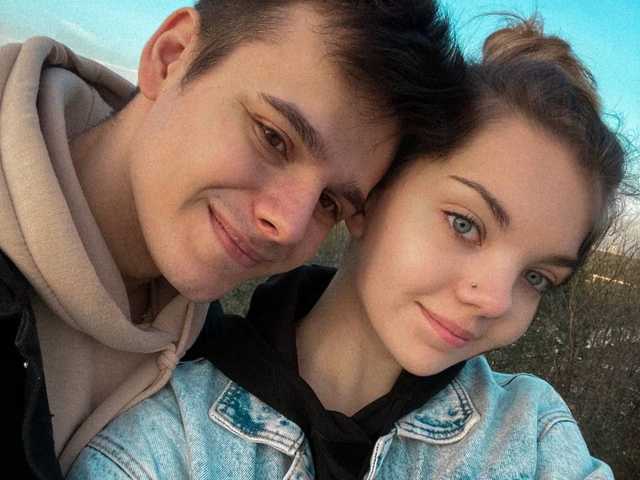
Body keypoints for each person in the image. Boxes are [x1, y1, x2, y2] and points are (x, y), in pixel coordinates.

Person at [68, 16, 630, 479]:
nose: (495, 300)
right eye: (465, 224)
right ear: (372, 195)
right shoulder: (167, 438)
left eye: (537, 277)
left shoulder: (532, 433)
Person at [0, 1, 469, 477]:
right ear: (170, 57)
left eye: (329, 203)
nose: (288, 224)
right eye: (273, 137)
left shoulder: (208, 346)